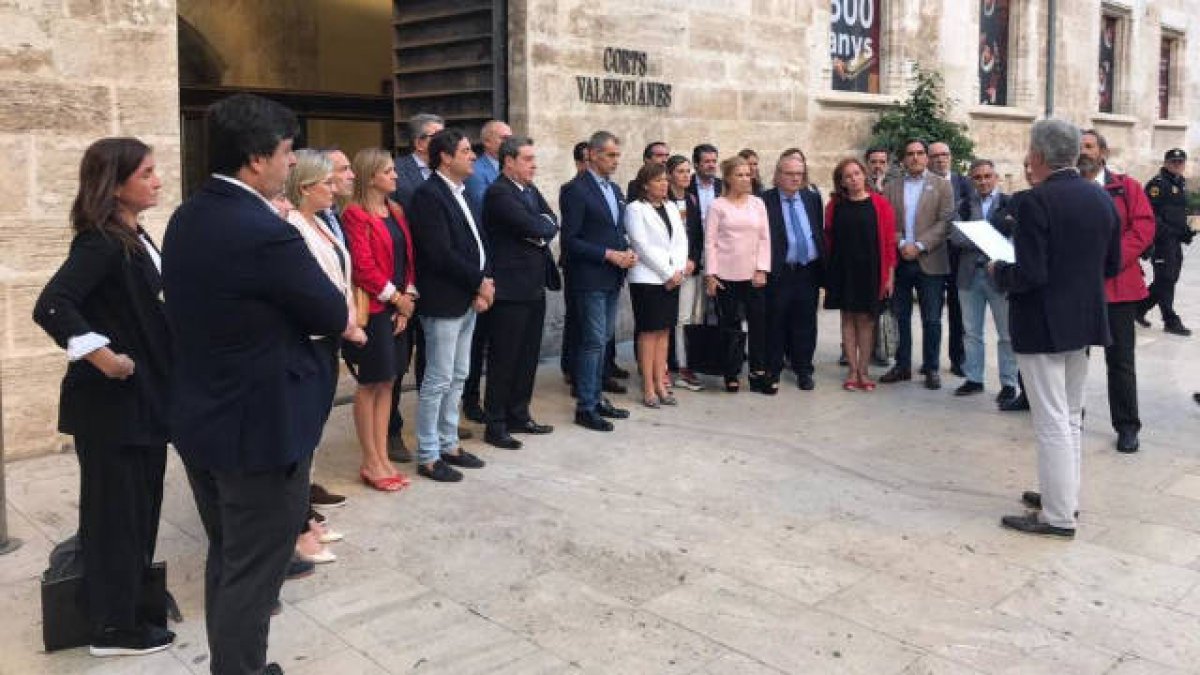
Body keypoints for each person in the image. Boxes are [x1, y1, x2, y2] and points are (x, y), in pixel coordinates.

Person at [162, 93, 349, 675]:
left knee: (231, 556)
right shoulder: (264, 231)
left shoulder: (189, 214)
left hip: (203, 416)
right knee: (254, 570)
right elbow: (328, 311)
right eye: (288, 152)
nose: (293, 164)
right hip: (260, 428)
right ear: (255, 159)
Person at [33, 138, 174, 657]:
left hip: (144, 404)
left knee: (138, 512)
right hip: (114, 409)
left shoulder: (135, 236)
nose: (157, 180)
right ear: (115, 185)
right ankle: (112, 628)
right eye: (147, 173)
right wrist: (103, 356)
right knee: (116, 516)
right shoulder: (100, 242)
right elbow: (53, 305)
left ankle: (129, 608)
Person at [990, 118, 1120, 539]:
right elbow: (1113, 264)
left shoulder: (1034, 201)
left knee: (1051, 421)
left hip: (1043, 323)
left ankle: (1058, 516)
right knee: (1069, 417)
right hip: (1083, 321)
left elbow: (1030, 273)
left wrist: (998, 270)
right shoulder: (1100, 198)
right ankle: (1063, 497)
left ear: (1040, 156)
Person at [283, 149, 367, 562]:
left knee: (312, 433)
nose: (335, 189)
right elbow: (309, 288)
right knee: (302, 434)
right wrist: (346, 325)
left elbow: (339, 277)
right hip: (311, 339)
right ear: (304, 188)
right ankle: (296, 525)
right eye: (327, 183)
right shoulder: (293, 226)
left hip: (329, 337)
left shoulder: (318, 224)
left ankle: (302, 514)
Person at [409, 128, 492, 481]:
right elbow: (439, 253)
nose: (472, 156)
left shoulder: (463, 192)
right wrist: (478, 281)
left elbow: (477, 241)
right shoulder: (429, 196)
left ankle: (449, 442)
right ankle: (428, 454)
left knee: (459, 375)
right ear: (444, 156)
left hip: (468, 297)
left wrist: (484, 282)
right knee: (438, 379)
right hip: (443, 300)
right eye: (464, 151)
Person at [342, 148, 417, 490]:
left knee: (390, 381)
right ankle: (370, 460)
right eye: (388, 171)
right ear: (371, 176)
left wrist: (408, 297)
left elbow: (407, 260)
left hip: (398, 308)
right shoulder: (354, 215)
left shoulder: (396, 210)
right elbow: (363, 266)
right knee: (370, 382)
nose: (396, 176)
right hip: (374, 311)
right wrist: (396, 299)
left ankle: (382, 455)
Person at [1077, 129, 1156, 453]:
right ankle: (1071, 419)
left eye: (1090, 146)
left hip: (1118, 289)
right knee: (1072, 360)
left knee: (1121, 361)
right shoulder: (1069, 189)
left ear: (1103, 153)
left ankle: (1127, 426)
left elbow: (1143, 228)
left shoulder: (1127, 188)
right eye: (1079, 147)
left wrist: (1112, 260)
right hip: (1078, 290)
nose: (1084, 152)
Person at [480, 135, 559, 448]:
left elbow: (550, 221)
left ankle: (519, 414)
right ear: (508, 161)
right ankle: (495, 422)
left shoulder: (529, 189)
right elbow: (535, 227)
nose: (534, 165)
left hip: (534, 286)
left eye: (534, 159)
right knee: (504, 358)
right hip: (510, 289)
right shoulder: (499, 193)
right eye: (527, 159)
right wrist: (538, 229)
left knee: (527, 356)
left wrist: (539, 228)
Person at [561, 130, 637, 431]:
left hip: (612, 276)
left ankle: (596, 397)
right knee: (592, 342)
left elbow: (616, 230)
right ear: (591, 155)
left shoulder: (615, 189)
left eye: (617, 155)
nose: (614, 160)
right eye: (609, 155)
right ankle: (586, 406)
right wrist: (608, 254)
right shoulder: (575, 190)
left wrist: (627, 250)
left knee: (603, 340)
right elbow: (571, 240)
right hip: (589, 276)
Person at [880, 139, 955, 390]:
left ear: (926, 157)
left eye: (920, 153)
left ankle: (931, 368)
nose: (915, 157)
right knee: (901, 316)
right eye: (910, 153)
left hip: (930, 260)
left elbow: (945, 222)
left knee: (932, 318)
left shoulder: (942, 186)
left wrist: (920, 245)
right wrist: (902, 244)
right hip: (901, 261)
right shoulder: (891, 188)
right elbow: (888, 222)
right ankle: (902, 365)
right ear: (903, 159)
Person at [823, 157, 898, 391]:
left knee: (866, 321)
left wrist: (889, 275)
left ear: (864, 175)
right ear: (841, 182)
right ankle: (852, 370)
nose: (853, 179)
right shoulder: (834, 205)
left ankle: (864, 371)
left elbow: (888, 243)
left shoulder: (880, 204)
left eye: (857, 173)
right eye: (848, 176)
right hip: (843, 270)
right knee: (847, 319)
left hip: (871, 270)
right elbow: (828, 238)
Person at [949, 159, 1018, 401]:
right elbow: (956, 236)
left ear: (996, 177)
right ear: (971, 180)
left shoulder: (1011, 204)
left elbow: (1017, 236)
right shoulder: (964, 205)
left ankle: (1009, 383)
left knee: (1007, 333)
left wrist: (979, 234)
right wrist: (990, 236)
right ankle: (974, 378)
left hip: (1000, 276)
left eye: (987, 176)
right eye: (977, 177)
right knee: (971, 332)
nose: (983, 181)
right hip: (969, 275)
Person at [704, 155, 771, 393]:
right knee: (729, 325)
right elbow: (710, 242)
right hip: (725, 275)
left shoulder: (758, 204)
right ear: (729, 178)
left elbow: (765, 238)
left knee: (759, 324)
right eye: (740, 175)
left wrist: (762, 268)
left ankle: (758, 372)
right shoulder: (717, 206)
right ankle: (730, 372)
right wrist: (710, 274)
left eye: (748, 174)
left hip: (753, 274)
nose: (746, 178)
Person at [462, 119, 513, 425]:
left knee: (494, 338)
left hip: (504, 265)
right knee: (476, 340)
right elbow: (488, 214)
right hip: (485, 262)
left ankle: (491, 396)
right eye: (504, 137)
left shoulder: (510, 169)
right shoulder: (478, 173)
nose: (510, 141)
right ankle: (470, 399)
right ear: (489, 142)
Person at [626, 162, 689, 407]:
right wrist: (667, 273)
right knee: (649, 332)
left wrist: (679, 271)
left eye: (665, 180)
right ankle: (649, 387)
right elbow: (641, 245)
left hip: (673, 277)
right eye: (658, 180)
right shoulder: (635, 209)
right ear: (645, 185)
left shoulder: (672, 207)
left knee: (665, 331)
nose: (664, 184)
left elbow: (681, 240)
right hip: (648, 279)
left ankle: (662, 383)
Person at [763, 152, 824, 391]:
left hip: (807, 270)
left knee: (806, 322)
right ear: (778, 175)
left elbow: (816, 231)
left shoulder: (811, 198)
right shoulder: (764, 200)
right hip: (779, 271)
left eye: (799, 174)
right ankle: (773, 369)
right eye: (789, 174)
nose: (795, 179)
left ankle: (804, 369)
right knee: (776, 321)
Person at [1139, 148, 1193, 336]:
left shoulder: (1181, 183)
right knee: (1166, 280)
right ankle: (1170, 320)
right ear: (1166, 163)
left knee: (1168, 279)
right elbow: (1150, 215)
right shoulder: (1157, 185)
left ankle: (1138, 308)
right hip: (1161, 241)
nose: (1177, 165)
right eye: (1173, 162)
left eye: (1180, 162)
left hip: (1174, 240)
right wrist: (1170, 232)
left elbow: (1178, 212)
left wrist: (1185, 231)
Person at [929, 141, 971, 378]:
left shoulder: (964, 184)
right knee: (931, 313)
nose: (940, 159)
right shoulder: (924, 184)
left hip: (957, 256)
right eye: (935, 156)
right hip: (932, 254)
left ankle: (959, 359)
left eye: (944, 155)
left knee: (958, 311)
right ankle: (930, 361)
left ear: (951, 157)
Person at [666, 155, 704, 391]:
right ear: (669, 174)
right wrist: (678, 263)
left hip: (692, 267)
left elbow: (697, 235)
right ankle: (678, 366)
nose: (685, 176)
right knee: (679, 318)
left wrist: (693, 258)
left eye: (688, 171)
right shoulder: (665, 200)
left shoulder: (691, 199)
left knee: (693, 317)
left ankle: (690, 362)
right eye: (680, 171)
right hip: (672, 269)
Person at [393, 112, 444, 212]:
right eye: (438, 137)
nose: (445, 142)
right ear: (419, 143)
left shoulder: (449, 168)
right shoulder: (396, 170)